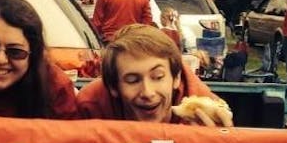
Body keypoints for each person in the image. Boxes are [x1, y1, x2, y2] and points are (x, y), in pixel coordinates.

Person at [76, 24, 232, 127]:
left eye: (158, 77)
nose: (148, 92)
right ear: (113, 87)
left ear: (176, 78)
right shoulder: (89, 108)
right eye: (132, 80)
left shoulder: (209, 114)